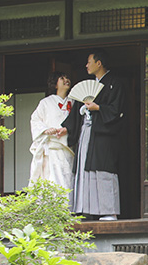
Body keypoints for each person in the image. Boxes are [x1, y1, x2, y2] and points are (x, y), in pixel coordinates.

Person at [64, 50, 125, 220]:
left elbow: (116, 110)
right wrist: (67, 128)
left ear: (99, 63)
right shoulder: (88, 85)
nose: (86, 65)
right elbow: (76, 112)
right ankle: (85, 210)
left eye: (89, 62)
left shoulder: (114, 84)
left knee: (103, 169)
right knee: (83, 168)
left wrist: (98, 108)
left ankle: (109, 210)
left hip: (104, 134)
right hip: (86, 132)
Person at [28, 71, 74, 198]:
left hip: (68, 149)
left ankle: (69, 212)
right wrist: (45, 130)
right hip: (52, 149)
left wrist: (68, 129)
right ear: (55, 84)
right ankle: (55, 213)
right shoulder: (45, 103)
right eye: (62, 78)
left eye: (67, 77)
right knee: (53, 182)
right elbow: (35, 120)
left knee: (68, 180)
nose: (66, 80)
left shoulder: (74, 102)